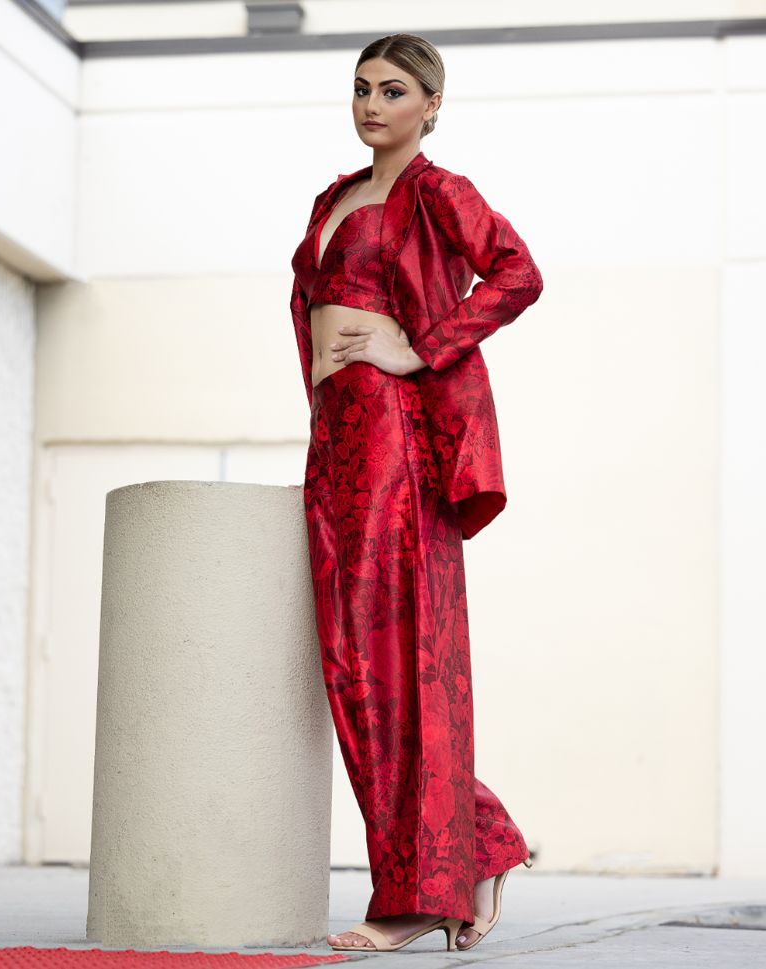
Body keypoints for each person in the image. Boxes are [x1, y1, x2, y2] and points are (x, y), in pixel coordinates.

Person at [289, 32, 543, 954]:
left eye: (393, 90)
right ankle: (476, 844)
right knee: (352, 661)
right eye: (360, 87)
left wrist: (418, 347)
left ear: (431, 105)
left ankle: (417, 889)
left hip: (393, 436)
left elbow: (517, 273)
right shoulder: (333, 198)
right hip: (336, 434)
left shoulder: (439, 191)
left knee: (393, 657)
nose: (371, 104)